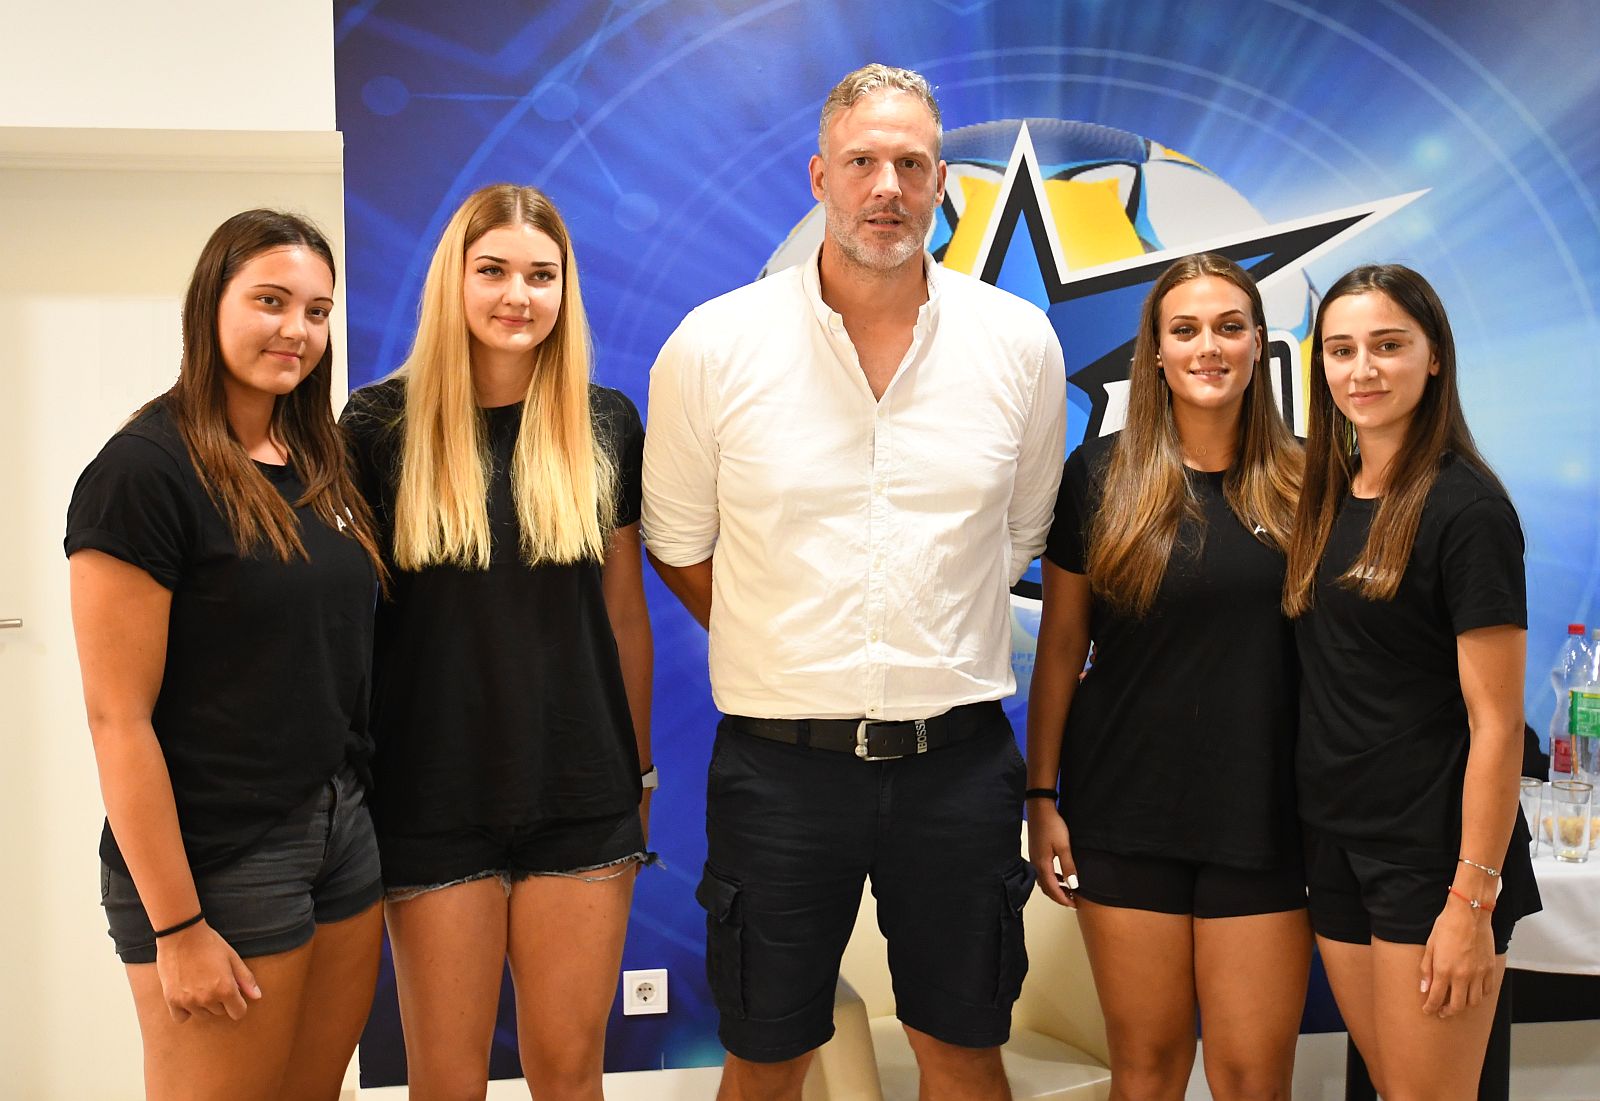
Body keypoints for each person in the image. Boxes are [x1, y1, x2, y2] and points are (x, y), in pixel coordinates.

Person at [644, 63, 1066, 1101]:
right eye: (863, 161)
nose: (887, 187)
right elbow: (678, 540)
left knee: (963, 1047)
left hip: (958, 765)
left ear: (941, 185)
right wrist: (782, 638)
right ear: (819, 177)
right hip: (780, 771)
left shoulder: (1016, 344)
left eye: (912, 165)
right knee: (766, 1055)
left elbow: (1019, 533)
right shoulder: (716, 343)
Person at [65, 210, 387, 1100]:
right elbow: (117, 718)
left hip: (340, 830)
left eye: (317, 311)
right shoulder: (143, 472)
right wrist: (177, 926)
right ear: (210, 302)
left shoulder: (320, 463)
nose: (297, 330)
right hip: (218, 858)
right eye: (271, 301)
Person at [340, 182, 653, 1100]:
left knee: (570, 1073)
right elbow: (347, 625)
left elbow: (624, 617)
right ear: (455, 280)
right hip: (430, 794)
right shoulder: (377, 426)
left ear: (565, 289)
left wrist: (638, 776)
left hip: (582, 792)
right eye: (494, 271)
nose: (519, 294)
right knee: (447, 1079)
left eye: (541, 275)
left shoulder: (605, 421)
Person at [1025, 254, 1309, 1100]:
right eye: (1185, 329)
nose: (1208, 347)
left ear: (1260, 342)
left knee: (1251, 1078)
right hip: (1125, 812)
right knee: (1146, 1073)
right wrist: (1041, 797)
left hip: (1268, 816)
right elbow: (1060, 648)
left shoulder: (1312, 482)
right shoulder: (1098, 475)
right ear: (1154, 350)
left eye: (1229, 327)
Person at [1283, 264, 1540, 1099]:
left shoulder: (1469, 510)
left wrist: (1471, 900)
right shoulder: (1327, 494)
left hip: (1433, 862)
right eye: (1341, 349)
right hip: (1336, 845)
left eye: (1388, 345)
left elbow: (1497, 723)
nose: (1362, 369)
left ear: (1434, 357)